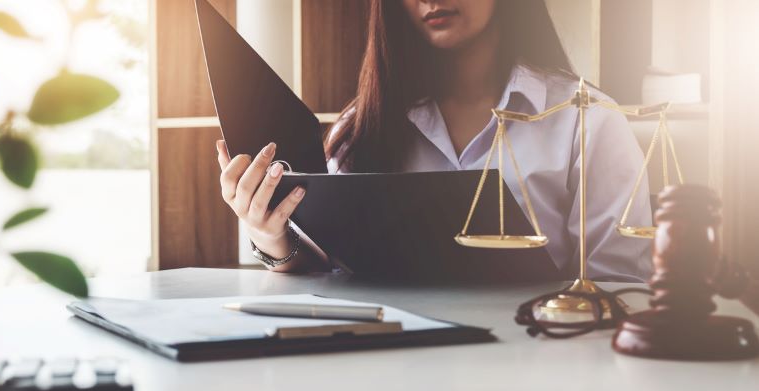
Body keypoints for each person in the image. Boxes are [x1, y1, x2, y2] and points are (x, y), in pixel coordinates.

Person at [215, 0, 653, 282]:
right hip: (396, 376)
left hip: (542, 372)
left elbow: (619, 283)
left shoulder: (587, 118)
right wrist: (270, 233)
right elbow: (330, 270)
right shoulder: (363, 124)